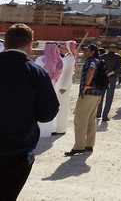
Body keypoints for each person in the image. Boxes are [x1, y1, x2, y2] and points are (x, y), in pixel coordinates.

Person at [0, 23, 59, 200]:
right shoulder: (37, 73)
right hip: (17, 152)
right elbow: (48, 112)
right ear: (30, 44)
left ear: (5, 44)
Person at [65, 43, 105, 156]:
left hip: (88, 94)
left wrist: (86, 84)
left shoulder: (91, 61)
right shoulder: (99, 61)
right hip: (97, 94)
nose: (85, 52)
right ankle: (89, 144)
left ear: (92, 52)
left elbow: (91, 69)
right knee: (91, 120)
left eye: (87, 50)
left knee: (80, 120)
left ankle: (79, 147)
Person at [34, 42, 63, 138]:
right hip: (54, 87)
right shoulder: (60, 61)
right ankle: (47, 132)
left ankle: (40, 133)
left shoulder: (41, 59)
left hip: (41, 88)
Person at [53, 41, 77, 135]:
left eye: (63, 47)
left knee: (61, 106)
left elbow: (67, 74)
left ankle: (60, 128)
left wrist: (63, 87)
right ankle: (56, 127)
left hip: (63, 86)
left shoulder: (70, 58)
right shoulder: (68, 57)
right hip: (61, 83)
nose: (61, 49)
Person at [97, 43, 121, 122]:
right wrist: (110, 73)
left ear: (108, 49)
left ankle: (98, 113)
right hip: (112, 78)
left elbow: (99, 67)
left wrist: (105, 74)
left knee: (101, 96)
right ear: (115, 49)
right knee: (109, 97)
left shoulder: (103, 56)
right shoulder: (118, 57)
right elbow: (118, 68)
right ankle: (105, 116)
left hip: (103, 78)